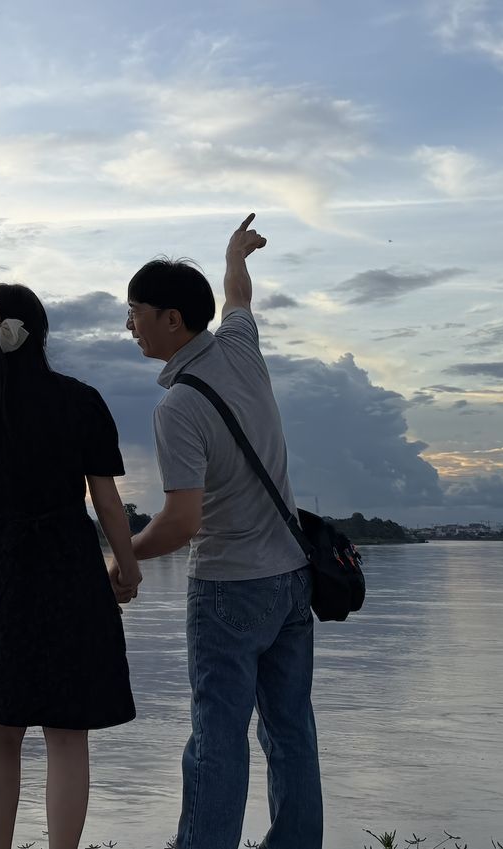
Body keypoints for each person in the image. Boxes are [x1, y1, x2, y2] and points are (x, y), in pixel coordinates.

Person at [127, 215, 322, 849]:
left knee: (218, 738)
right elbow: (239, 297)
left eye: (136, 313)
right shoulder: (241, 347)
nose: (129, 325)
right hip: (292, 580)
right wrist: (236, 254)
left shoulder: (178, 407)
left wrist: (124, 558)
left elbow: (182, 522)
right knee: (291, 732)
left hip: (229, 589)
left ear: (172, 319)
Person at [0, 282, 143, 849]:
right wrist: (127, 566)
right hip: (69, 568)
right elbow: (107, 502)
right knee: (68, 732)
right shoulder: (81, 400)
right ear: (43, 334)